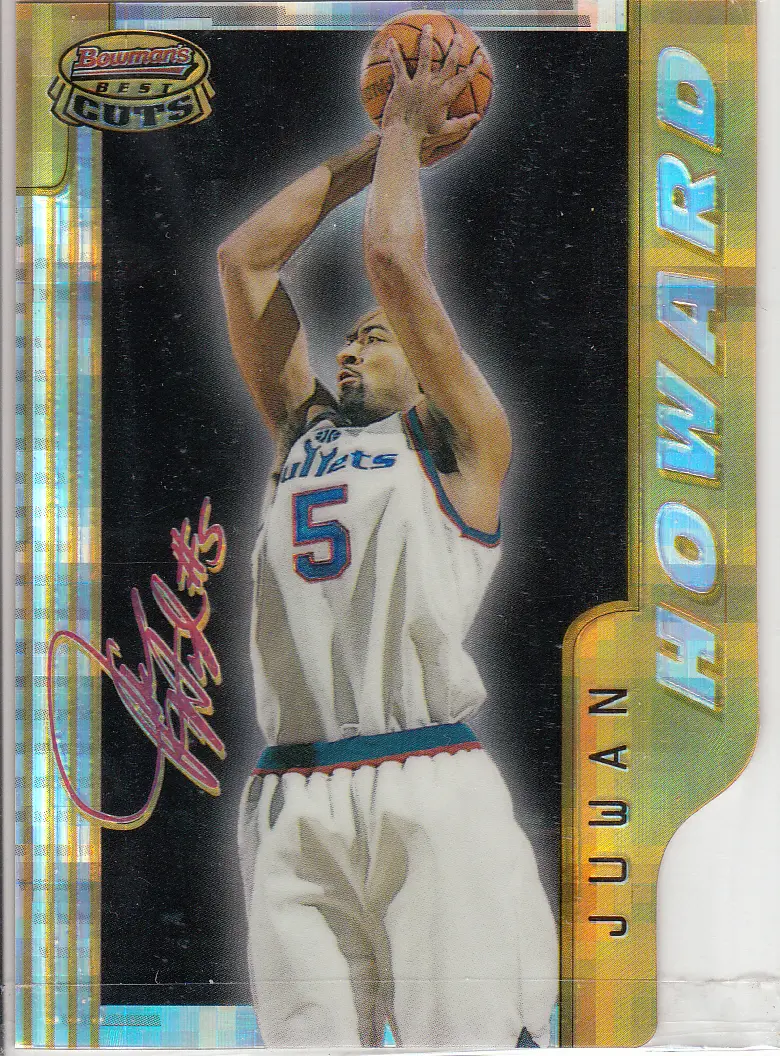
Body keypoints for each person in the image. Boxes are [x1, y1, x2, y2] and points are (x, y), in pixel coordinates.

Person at [218, 26, 557, 1050]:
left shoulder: (463, 442)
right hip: (291, 792)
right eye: (348, 336)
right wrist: (376, 149)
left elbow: (391, 257)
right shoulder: (304, 435)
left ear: (427, 364)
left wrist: (408, 130)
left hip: (429, 783)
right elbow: (243, 259)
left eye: (377, 334)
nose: (351, 344)